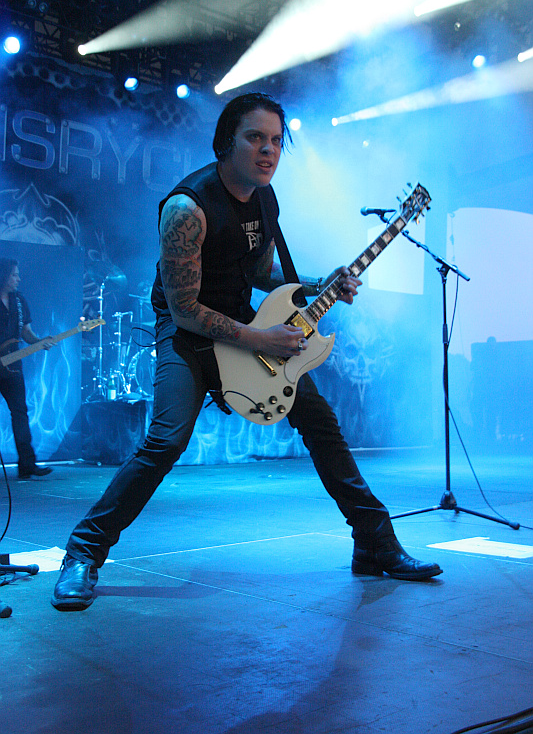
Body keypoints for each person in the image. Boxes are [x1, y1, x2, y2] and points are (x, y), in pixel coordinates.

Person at [52, 92, 442, 610]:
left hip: (245, 324)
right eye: (255, 138)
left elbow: (258, 272)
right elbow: (184, 309)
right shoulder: (187, 209)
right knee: (165, 442)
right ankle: (82, 553)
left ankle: (375, 541)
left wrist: (315, 282)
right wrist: (260, 339)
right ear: (226, 142)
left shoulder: (265, 199)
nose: (268, 150)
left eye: (276, 140)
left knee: (321, 424)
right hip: (189, 335)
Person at [0, 259, 54, 479]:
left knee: (20, 413)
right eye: (14, 275)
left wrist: (40, 342)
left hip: (13, 366)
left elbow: (26, 333)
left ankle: (27, 464)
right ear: (3, 275)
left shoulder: (20, 301)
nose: (18, 279)